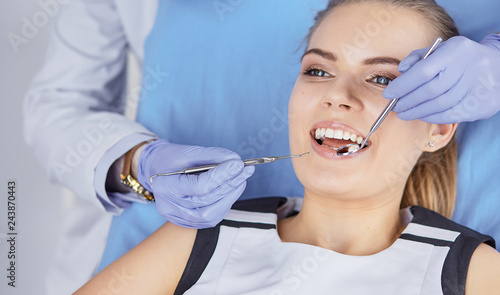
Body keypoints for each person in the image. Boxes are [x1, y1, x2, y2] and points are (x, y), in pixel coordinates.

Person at [24, 0, 500, 293]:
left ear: (439, 128)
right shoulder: (193, 245)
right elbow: (60, 103)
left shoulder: (469, 270)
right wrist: (137, 164)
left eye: (381, 78)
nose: (338, 94)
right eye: (317, 69)